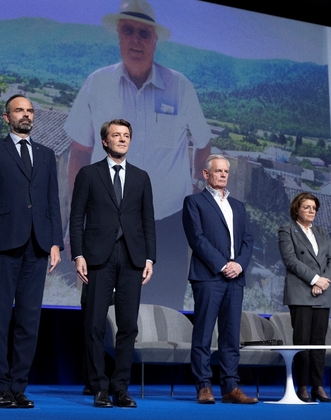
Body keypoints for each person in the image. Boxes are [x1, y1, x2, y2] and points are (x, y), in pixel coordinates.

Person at [64, 0, 212, 309]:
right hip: (108, 222)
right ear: (118, 35)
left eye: (144, 33)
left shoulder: (180, 87)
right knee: (103, 314)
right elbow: (78, 155)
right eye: (128, 31)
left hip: (168, 224)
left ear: (155, 40)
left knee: (165, 314)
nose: (136, 39)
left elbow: (203, 141)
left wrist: (198, 185)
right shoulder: (96, 84)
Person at [0, 94, 63, 408]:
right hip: (2, 245)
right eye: (19, 110)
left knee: (29, 319)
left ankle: (19, 386)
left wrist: (55, 243)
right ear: (6, 117)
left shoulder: (47, 154)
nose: (26, 115)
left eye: (30, 111)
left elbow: (52, 203)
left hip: (37, 246)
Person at [70, 119, 156, 408]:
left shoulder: (141, 177)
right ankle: (99, 387)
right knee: (94, 325)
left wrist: (149, 258)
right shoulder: (89, 174)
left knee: (128, 326)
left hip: (132, 258)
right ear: (105, 141)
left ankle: (120, 388)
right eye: (116, 135)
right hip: (97, 257)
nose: (122, 139)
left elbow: (147, 221)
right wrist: (78, 254)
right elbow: (76, 217)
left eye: (126, 135)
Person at [182, 155, 257, 405]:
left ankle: (230, 387)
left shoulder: (238, 205)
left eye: (226, 171)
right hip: (208, 276)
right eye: (218, 171)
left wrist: (239, 265)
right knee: (203, 333)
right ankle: (204, 385)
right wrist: (223, 265)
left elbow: (247, 240)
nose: (223, 175)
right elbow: (197, 238)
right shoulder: (194, 202)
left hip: (236, 279)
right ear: (206, 174)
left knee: (230, 336)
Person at [278, 192, 331, 403]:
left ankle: (317, 386)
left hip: (322, 293)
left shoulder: (322, 232)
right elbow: (290, 260)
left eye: (314, 208)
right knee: (302, 342)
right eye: (307, 207)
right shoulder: (287, 230)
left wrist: (323, 281)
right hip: (301, 292)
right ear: (297, 210)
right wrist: (314, 280)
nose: (312, 211)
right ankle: (302, 386)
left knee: (319, 343)